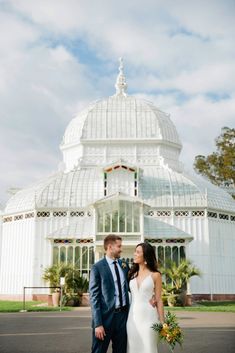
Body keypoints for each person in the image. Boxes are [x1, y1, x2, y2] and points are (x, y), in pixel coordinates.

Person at [89, 234, 130, 353]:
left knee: (120, 350)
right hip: (105, 319)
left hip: (122, 317)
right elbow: (94, 297)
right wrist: (98, 324)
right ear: (110, 247)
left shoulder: (124, 265)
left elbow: (132, 287)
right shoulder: (97, 267)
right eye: (119, 246)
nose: (121, 249)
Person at [127, 242, 164, 353]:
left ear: (146, 256)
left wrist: (163, 322)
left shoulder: (155, 275)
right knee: (133, 349)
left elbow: (158, 300)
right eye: (135, 251)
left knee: (149, 348)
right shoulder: (131, 274)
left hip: (149, 318)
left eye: (138, 252)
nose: (135, 254)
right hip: (132, 319)